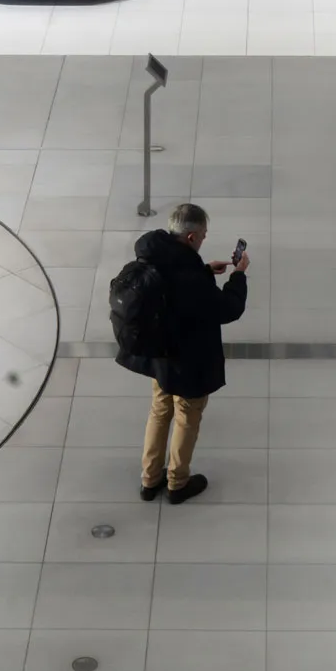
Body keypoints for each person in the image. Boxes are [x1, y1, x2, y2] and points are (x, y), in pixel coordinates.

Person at [119, 202, 248, 504]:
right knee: (186, 417)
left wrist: (205, 270)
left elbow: (173, 287)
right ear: (191, 237)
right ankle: (177, 483)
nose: (204, 238)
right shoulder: (190, 277)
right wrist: (239, 275)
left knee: (160, 410)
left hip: (159, 355)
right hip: (188, 360)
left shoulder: (154, 254)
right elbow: (228, 309)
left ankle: (150, 479)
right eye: (203, 234)